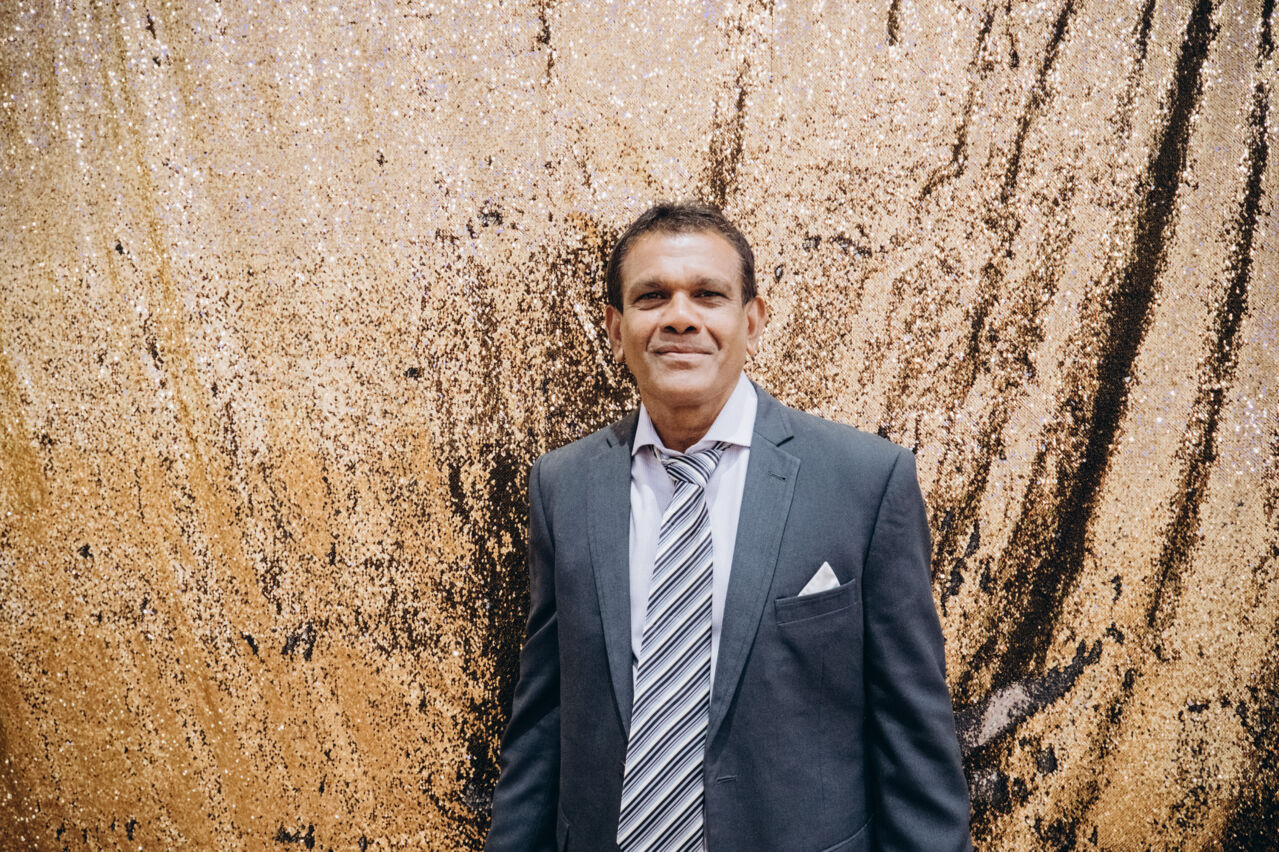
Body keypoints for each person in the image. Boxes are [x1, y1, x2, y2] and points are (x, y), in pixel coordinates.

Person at [485, 202, 971, 851]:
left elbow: (913, 737)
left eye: (708, 295)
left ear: (752, 320)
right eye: (651, 297)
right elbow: (543, 723)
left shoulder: (864, 482)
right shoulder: (563, 486)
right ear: (615, 328)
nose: (679, 317)